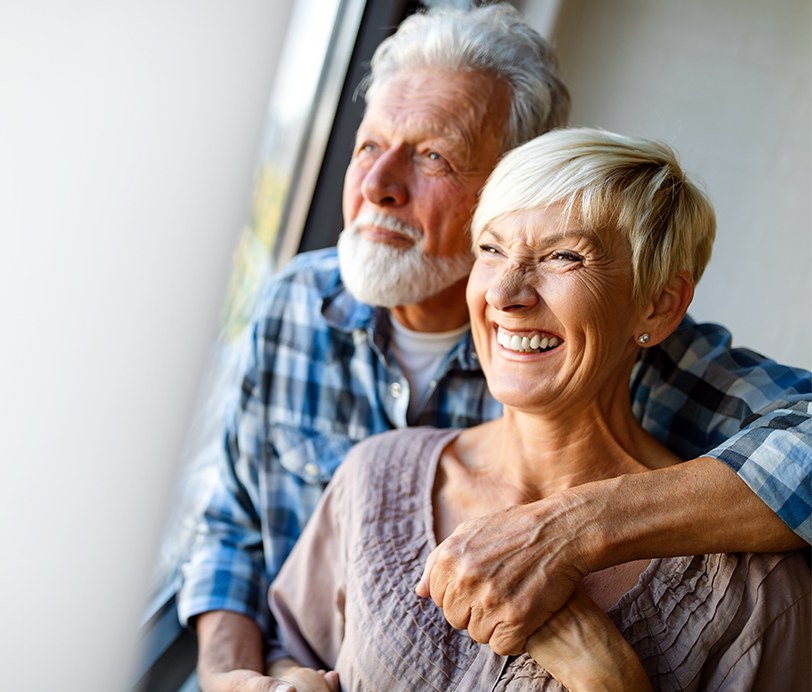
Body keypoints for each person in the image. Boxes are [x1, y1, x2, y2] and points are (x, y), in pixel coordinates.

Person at [177, 5, 812, 690]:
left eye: (431, 156)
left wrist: (571, 529)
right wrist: (235, 678)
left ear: (520, 179)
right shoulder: (296, 307)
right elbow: (231, 528)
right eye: (368, 146)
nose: (376, 186)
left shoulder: (649, 360)